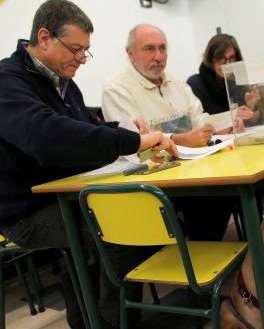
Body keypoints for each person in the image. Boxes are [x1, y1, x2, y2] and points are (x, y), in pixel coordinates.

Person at [0, 0, 178, 329]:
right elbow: (49, 137)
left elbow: (85, 128)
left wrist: (127, 129)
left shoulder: (64, 82)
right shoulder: (4, 83)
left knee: (140, 211)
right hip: (28, 211)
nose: (81, 59)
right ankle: (114, 320)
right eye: (75, 49)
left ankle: (78, 282)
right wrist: (132, 139)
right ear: (44, 37)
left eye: (86, 51)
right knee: (125, 227)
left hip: (69, 195)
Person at [101, 25, 236, 240]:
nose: (158, 56)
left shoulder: (176, 82)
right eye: (149, 49)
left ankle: (209, 249)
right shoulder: (116, 88)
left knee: (229, 186)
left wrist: (214, 128)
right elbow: (132, 142)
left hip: (191, 168)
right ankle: (198, 255)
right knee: (210, 197)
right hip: (153, 176)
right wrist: (179, 139)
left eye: (163, 48)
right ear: (130, 54)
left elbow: (199, 117)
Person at [186, 33, 264, 211]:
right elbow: (198, 123)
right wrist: (226, 124)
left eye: (232, 59)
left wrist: (252, 107)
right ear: (210, 59)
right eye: (222, 59)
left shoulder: (237, 81)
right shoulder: (196, 83)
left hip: (241, 149)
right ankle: (256, 223)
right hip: (216, 154)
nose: (227, 65)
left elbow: (255, 121)